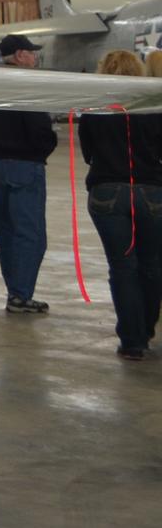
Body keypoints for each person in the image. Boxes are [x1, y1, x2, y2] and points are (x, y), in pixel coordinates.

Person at [79, 49, 162, 360]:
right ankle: (148, 327)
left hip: (107, 192)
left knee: (123, 267)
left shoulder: (95, 108)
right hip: (152, 192)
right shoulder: (154, 106)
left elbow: (87, 153)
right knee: (152, 264)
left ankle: (132, 341)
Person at [0, 34, 56, 313]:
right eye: (31, 53)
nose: (35, 57)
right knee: (31, 235)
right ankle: (20, 295)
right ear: (20, 56)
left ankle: (14, 292)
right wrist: (46, 146)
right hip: (25, 167)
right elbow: (39, 129)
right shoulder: (27, 85)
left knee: (5, 232)